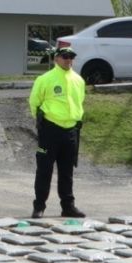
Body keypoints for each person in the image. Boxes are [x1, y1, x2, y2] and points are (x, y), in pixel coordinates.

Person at [29, 46, 86, 219]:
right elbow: (34, 102)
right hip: (50, 129)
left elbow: (80, 102)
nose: (68, 60)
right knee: (44, 170)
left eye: (71, 57)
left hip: (70, 130)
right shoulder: (45, 79)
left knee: (67, 171)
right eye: (64, 56)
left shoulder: (78, 80)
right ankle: (39, 206)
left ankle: (68, 207)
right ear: (56, 59)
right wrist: (42, 123)